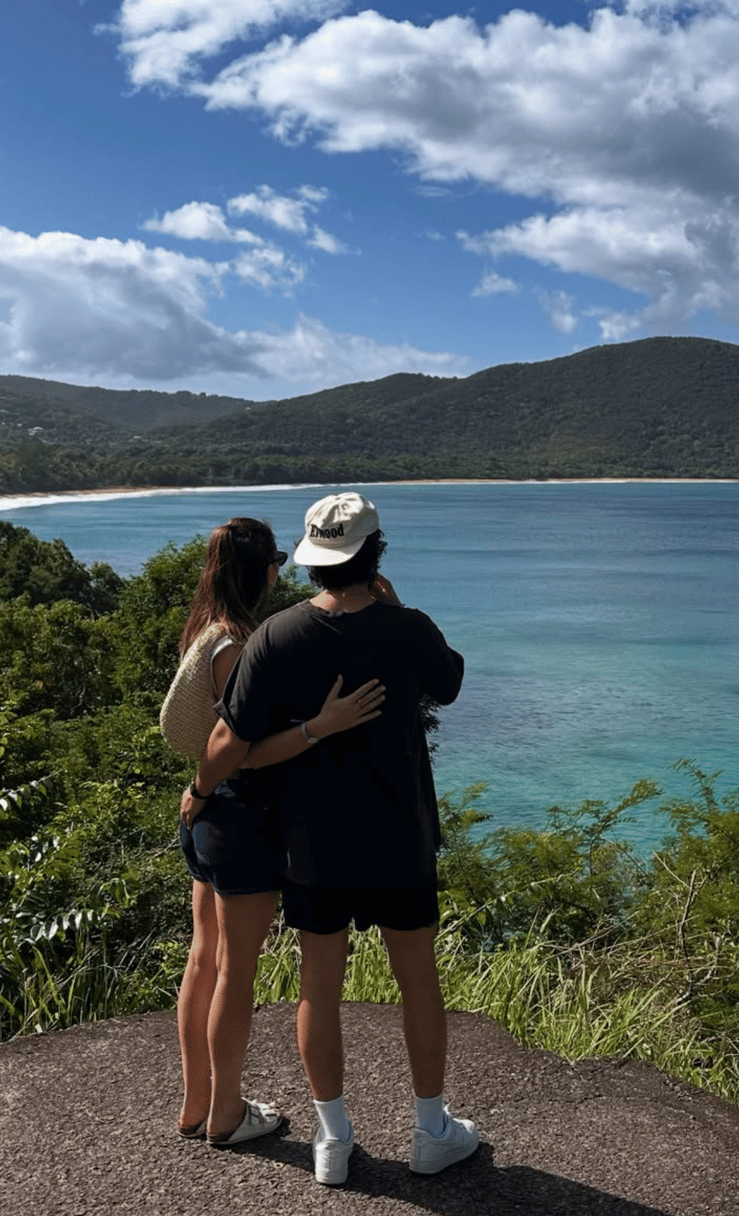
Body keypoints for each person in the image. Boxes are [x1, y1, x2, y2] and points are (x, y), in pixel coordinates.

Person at [180, 492, 478, 1186]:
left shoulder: (279, 635)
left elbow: (230, 736)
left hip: (312, 840)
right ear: (374, 556)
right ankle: (431, 1130)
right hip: (401, 833)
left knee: (320, 986)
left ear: (313, 558)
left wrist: (197, 793)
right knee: (418, 981)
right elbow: (452, 682)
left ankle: (332, 1140)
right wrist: (397, 608)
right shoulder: (409, 630)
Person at [174, 516, 385, 1146]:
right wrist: (323, 724)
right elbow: (238, 747)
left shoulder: (206, 630)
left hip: (209, 819)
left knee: (204, 959)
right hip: (238, 815)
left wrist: (197, 791)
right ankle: (227, 1113)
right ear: (265, 569)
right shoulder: (240, 645)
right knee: (236, 971)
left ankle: (197, 1104)